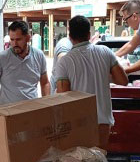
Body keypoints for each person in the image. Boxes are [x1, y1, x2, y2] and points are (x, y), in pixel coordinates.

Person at [55, 15, 128, 150]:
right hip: (103, 121)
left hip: (78, 123)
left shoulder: (65, 61)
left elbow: (63, 96)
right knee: (99, 160)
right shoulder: (105, 52)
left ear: (69, 36)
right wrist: (102, 75)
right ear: (89, 34)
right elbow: (123, 80)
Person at [0, 20, 50, 107]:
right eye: (12, 39)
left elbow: (45, 83)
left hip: (32, 110)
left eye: (18, 39)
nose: (14, 44)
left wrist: (47, 103)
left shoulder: (39, 56)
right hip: (8, 113)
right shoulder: (1, 58)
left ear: (28, 38)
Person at [116, 0, 140, 74]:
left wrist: (121, 72)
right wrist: (112, 57)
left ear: (134, 16)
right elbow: (131, 44)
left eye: (125, 20)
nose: (126, 24)